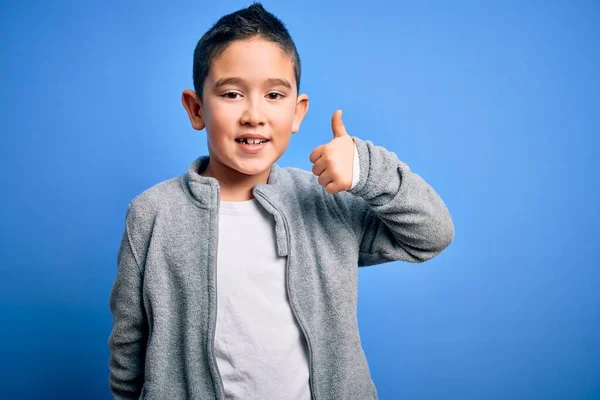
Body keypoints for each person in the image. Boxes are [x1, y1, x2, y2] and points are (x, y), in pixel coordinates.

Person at [108, 2, 454, 399]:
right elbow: (129, 348)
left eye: (274, 95)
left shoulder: (325, 201)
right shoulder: (153, 214)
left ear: (297, 112)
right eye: (233, 93)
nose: (254, 115)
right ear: (196, 107)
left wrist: (367, 170)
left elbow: (432, 233)